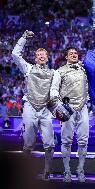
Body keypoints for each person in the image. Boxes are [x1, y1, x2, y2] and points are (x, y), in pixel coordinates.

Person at [11, 30, 55, 181]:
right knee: (28, 144)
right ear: (35, 58)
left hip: (45, 109)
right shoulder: (28, 69)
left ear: (47, 58)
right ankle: (23, 172)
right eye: (38, 55)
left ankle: (47, 171)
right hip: (30, 106)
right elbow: (15, 55)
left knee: (49, 144)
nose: (41, 56)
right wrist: (23, 38)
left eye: (44, 55)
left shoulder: (54, 73)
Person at [50, 47, 89, 182]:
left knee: (83, 140)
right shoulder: (59, 71)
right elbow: (54, 89)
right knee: (66, 140)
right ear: (66, 57)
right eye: (71, 53)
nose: (74, 55)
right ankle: (67, 171)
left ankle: (81, 170)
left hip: (83, 107)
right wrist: (58, 106)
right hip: (67, 108)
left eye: (75, 53)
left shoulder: (84, 69)